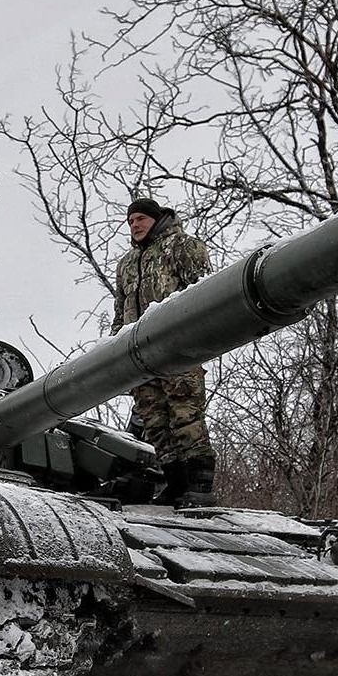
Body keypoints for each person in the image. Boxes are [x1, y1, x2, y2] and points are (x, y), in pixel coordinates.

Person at [111, 197, 217, 506]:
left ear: (156, 219)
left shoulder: (183, 246)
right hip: (140, 353)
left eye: (141, 219)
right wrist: (116, 347)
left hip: (179, 346)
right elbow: (120, 309)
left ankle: (200, 485)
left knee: (185, 413)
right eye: (131, 221)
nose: (135, 225)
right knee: (154, 419)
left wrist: (199, 340)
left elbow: (205, 293)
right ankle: (175, 483)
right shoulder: (127, 263)